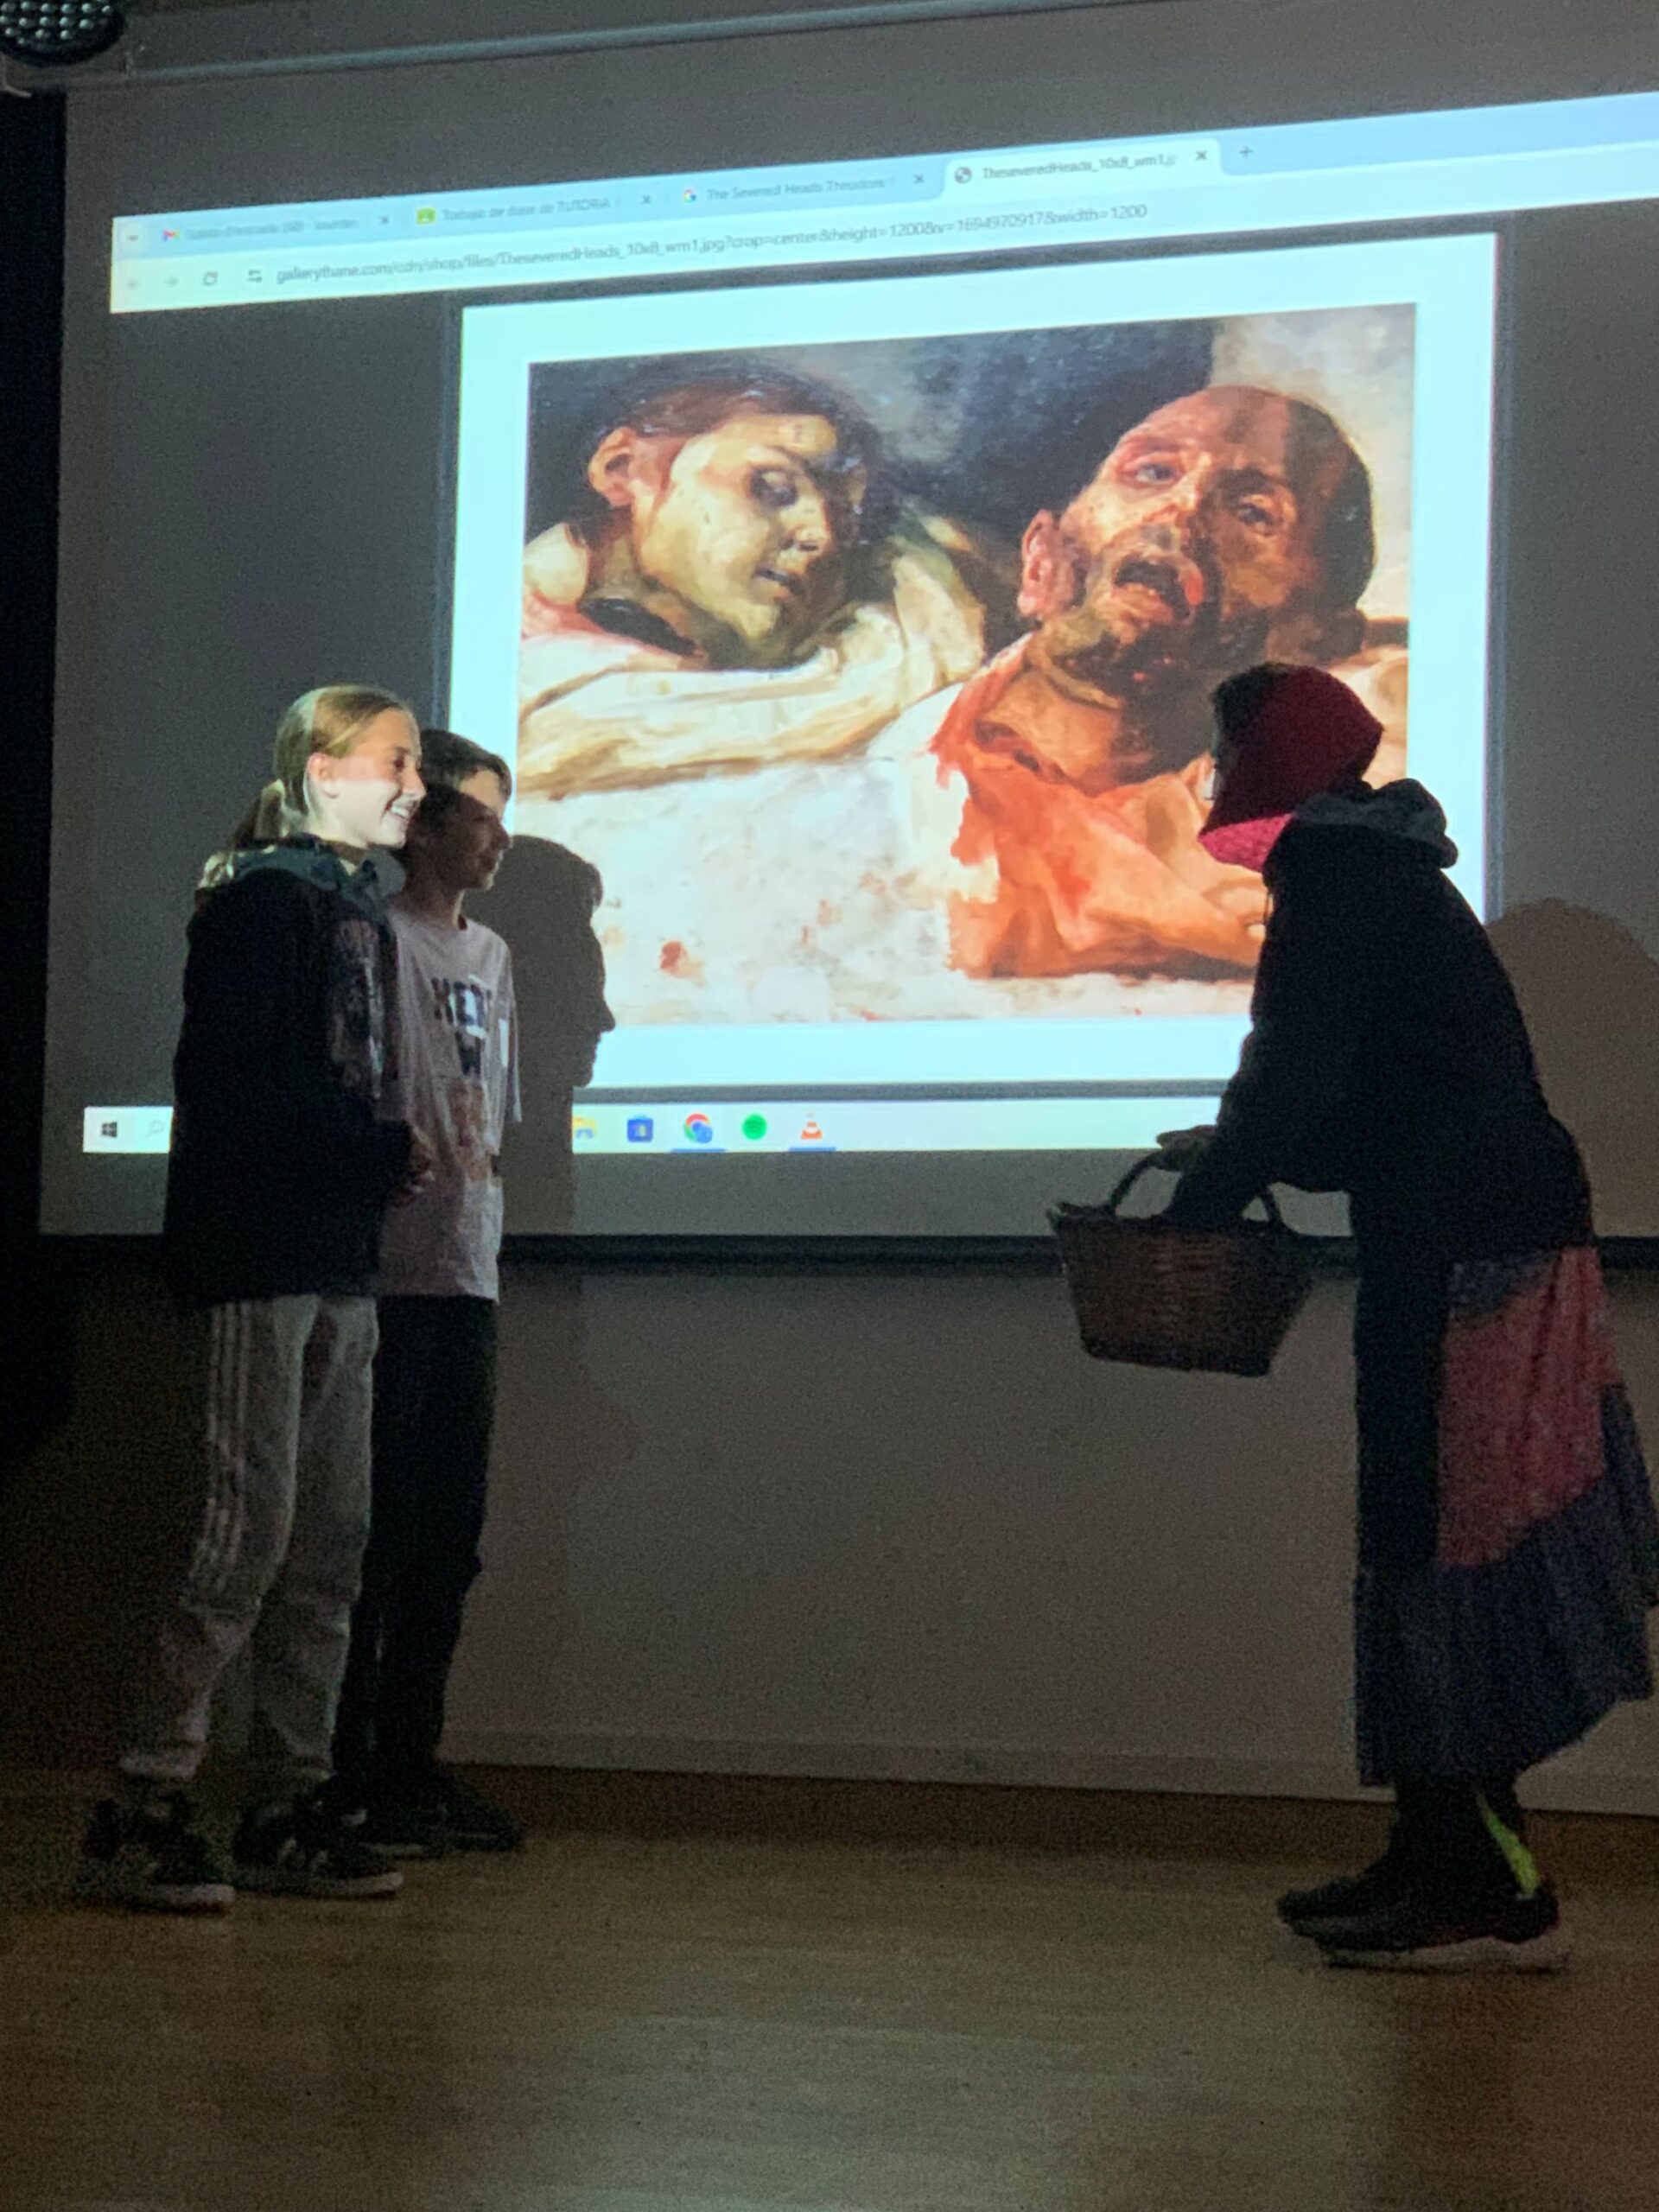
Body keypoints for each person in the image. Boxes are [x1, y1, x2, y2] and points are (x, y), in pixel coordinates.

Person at [1160, 663, 1659, 1970]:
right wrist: (1238, 1160)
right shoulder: (1377, 870)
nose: (1211, 773)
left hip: (1471, 1257)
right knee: (1420, 1534)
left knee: (1442, 1542)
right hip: (1476, 1235)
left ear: (1271, 757)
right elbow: (1370, 1105)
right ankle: (1437, 1846)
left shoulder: (1341, 878)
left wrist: (1202, 1202)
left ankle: (1485, 1883)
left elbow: (1291, 1077)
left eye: (1224, 746)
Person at [77, 685, 431, 1911]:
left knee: (330, 1543)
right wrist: (372, 1150)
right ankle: (142, 1803)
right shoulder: (260, 904)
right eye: (395, 762)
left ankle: (288, 1799)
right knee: (243, 1537)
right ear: (322, 768)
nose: (415, 787)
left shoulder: (357, 913)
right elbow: (233, 1092)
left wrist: (381, 1159)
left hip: (340, 1260)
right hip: (257, 1257)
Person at [898, 386, 1407, 982]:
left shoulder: (1345, 821)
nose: (1181, 511)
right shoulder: (873, 794)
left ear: (1318, 642)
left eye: (1253, 513)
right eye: (1153, 472)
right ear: (1039, 560)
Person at [332, 732, 529, 1853]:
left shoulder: (491, 955)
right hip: (384, 1272)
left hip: (467, 1266)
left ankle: (411, 1764)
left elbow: (491, 1108)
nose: (500, 839)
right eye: (484, 817)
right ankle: (345, 1770)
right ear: (427, 825)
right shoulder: (374, 936)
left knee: (449, 1537)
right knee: (375, 1533)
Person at [518, 367, 1005, 798]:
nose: (823, 537)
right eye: (773, 488)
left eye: (846, 522)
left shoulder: (894, 665)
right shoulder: (519, 662)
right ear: (624, 468)